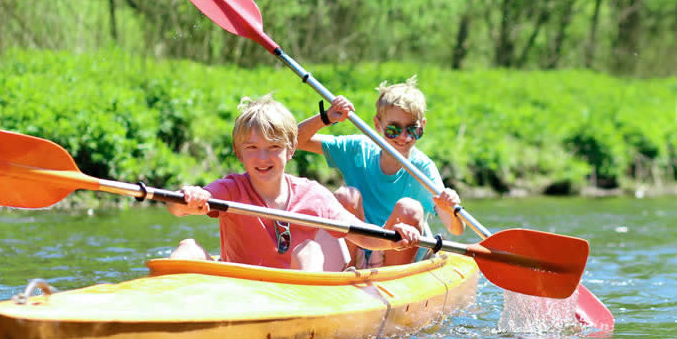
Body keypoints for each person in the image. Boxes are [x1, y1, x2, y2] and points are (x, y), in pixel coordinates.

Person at [168, 94, 421, 271]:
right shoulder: (230, 189)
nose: (263, 157)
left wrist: (393, 238)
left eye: (274, 147)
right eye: (252, 148)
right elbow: (176, 208)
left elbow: (362, 235)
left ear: (290, 151)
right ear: (239, 152)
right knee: (188, 247)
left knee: (308, 250)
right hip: (239, 288)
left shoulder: (312, 195)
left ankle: (302, 328)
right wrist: (189, 198)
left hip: (292, 295)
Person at [296, 76, 465, 268]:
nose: (403, 137)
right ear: (378, 125)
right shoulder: (357, 149)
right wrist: (325, 117)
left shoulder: (424, 169)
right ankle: (345, 271)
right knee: (346, 196)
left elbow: (456, 229)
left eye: (412, 129)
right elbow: (294, 141)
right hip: (358, 250)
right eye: (393, 129)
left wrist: (452, 210)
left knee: (408, 208)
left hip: (397, 258)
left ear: (422, 127)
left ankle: (391, 278)